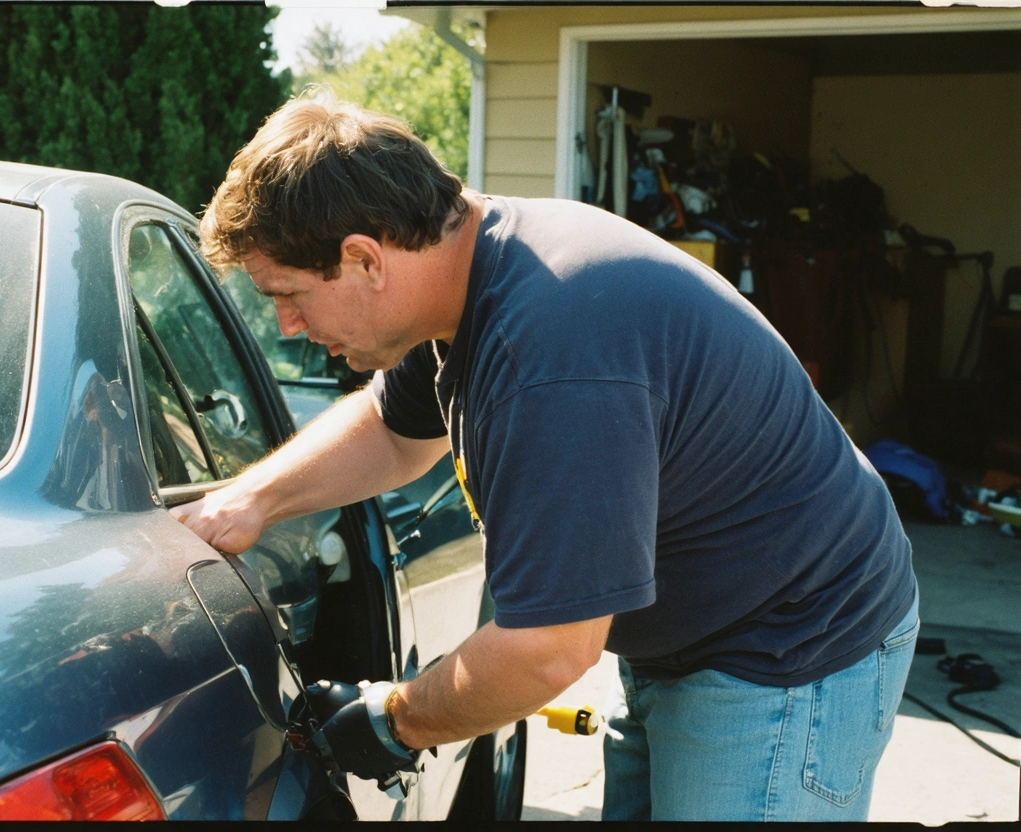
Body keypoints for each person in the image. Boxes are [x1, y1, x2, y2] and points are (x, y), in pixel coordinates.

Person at [172, 92, 919, 821]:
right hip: (690, 634)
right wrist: (253, 499)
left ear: (365, 258)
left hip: (789, 648)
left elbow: (547, 653)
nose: (288, 325)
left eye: (290, 294)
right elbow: (396, 429)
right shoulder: (464, 275)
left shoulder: (554, 357)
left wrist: (395, 719)